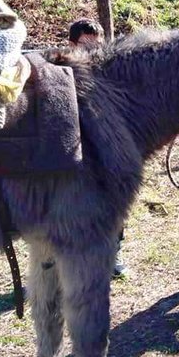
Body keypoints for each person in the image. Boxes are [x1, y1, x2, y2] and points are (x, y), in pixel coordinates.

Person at [67, 19, 127, 278]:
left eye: (97, 46)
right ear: (71, 44)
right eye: (85, 46)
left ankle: (112, 255)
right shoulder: (61, 75)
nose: (92, 52)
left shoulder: (112, 73)